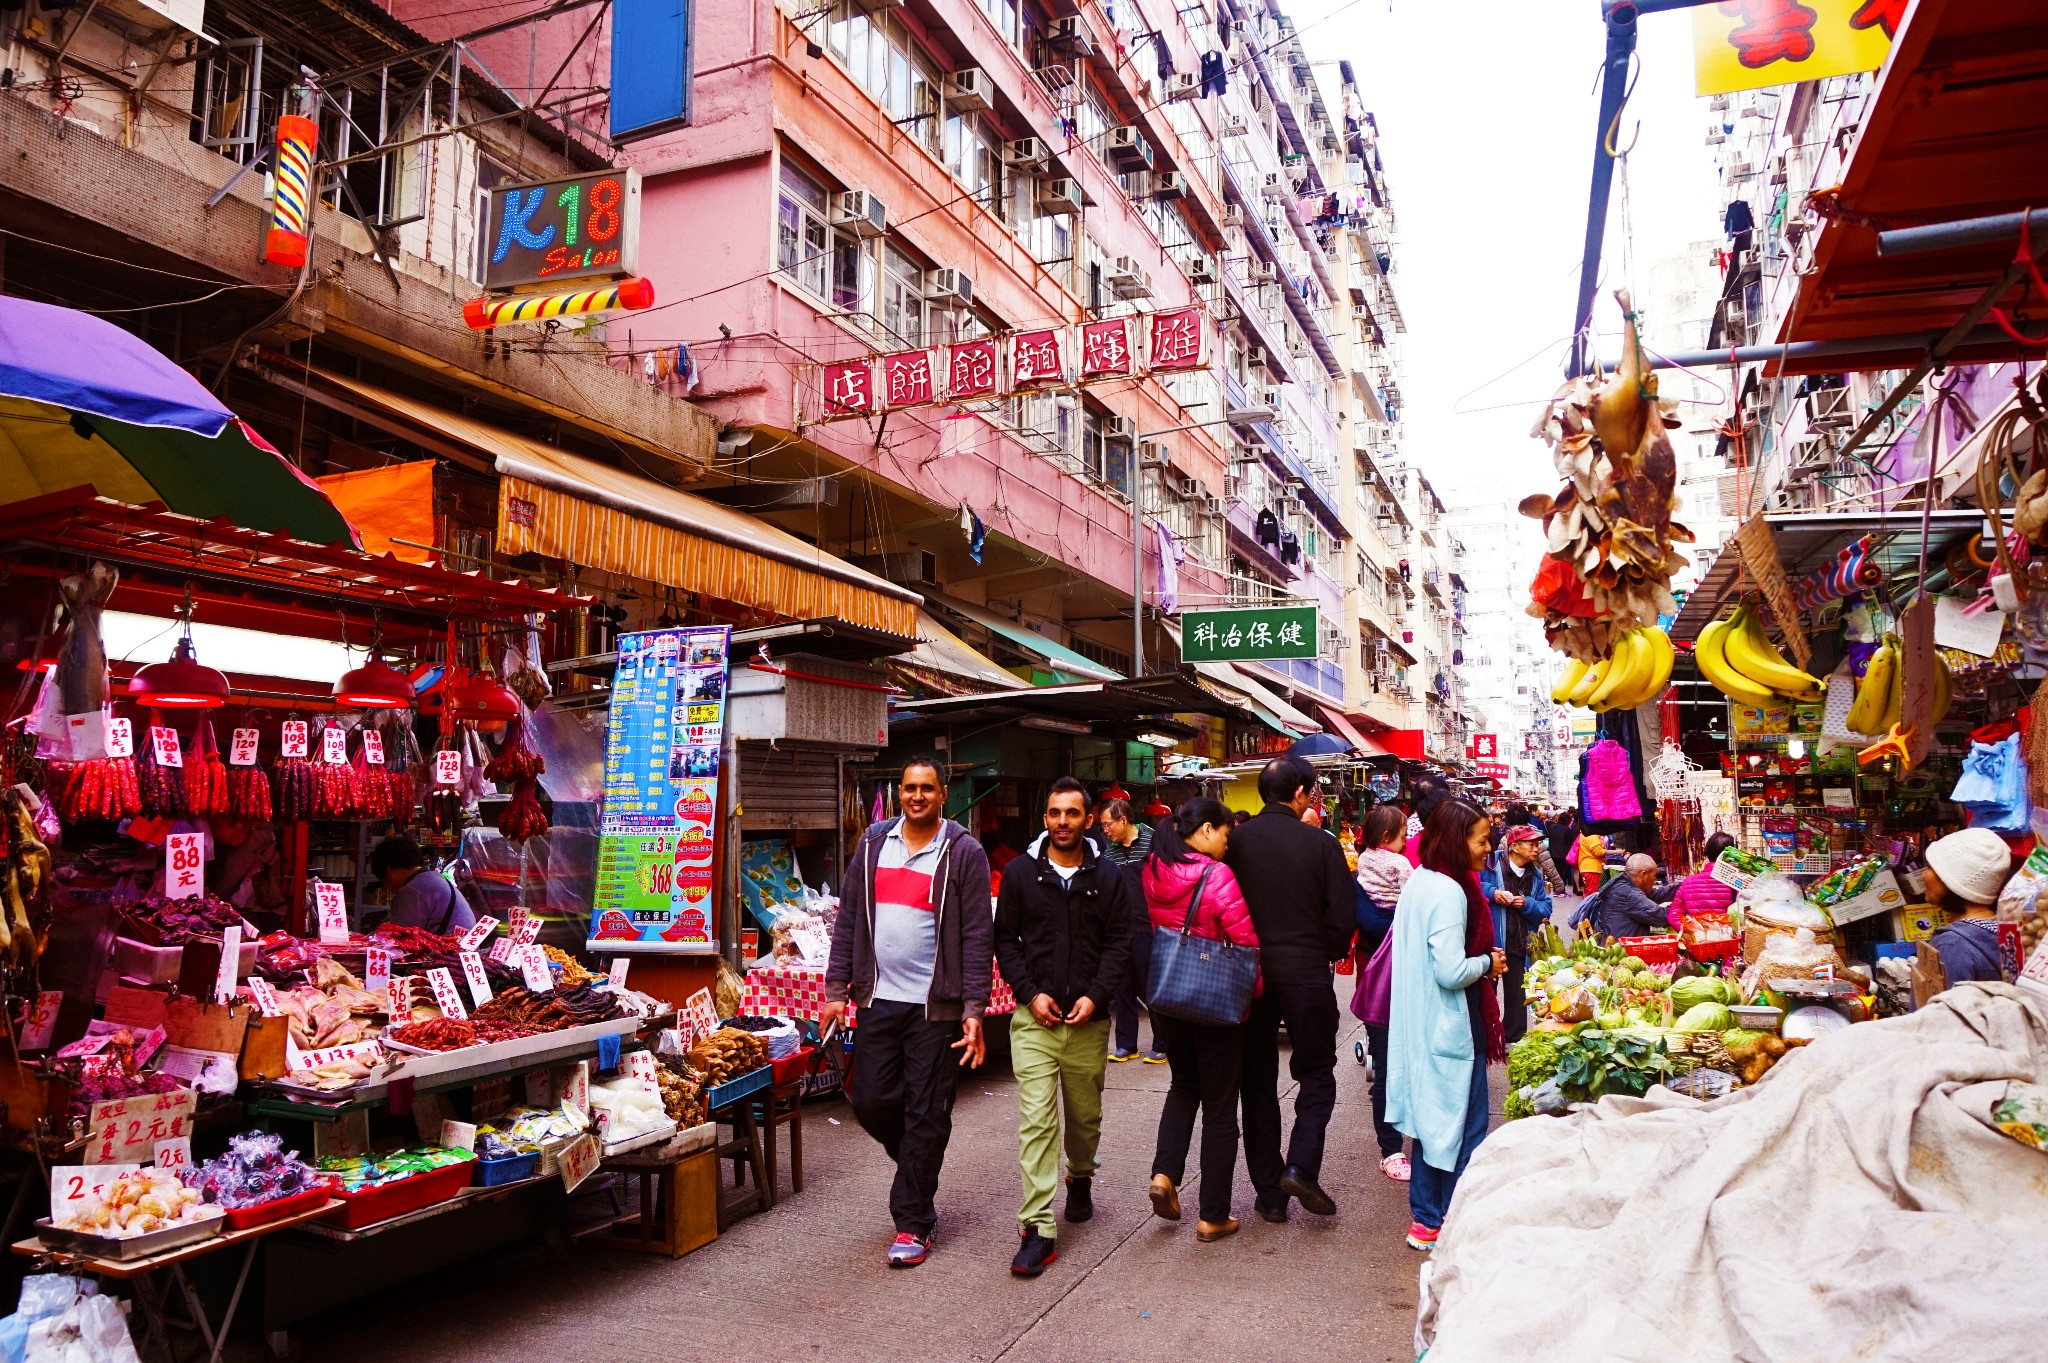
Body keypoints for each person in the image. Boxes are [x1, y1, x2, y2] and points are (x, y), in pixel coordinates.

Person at [824, 757, 992, 1270]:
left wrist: (973, 1008)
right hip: (878, 999)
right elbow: (850, 916)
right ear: (899, 792)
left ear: (943, 794)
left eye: (926, 788)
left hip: (933, 1009)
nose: (916, 796)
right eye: (908, 787)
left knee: (926, 1110)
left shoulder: (963, 852)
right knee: (870, 1100)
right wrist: (836, 986)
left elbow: (977, 936)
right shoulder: (873, 843)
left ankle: (913, 1222)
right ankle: (917, 1163)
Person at [993, 777, 1137, 1276]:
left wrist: (1096, 996)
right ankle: (1037, 1226)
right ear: (1045, 818)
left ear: (1087, 819)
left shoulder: (1108, 877)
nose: (1061, 822)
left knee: (1083, 1116)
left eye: (1071, 814)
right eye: (1054, 813)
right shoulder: (1020, 874)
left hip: (1087, 1021)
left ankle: (1080, 1176)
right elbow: (1005, 941)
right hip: (1033, 1021)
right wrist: (1030, 994)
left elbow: (1121, 942)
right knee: (1037, 1119)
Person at [1223, 756, 1355, 1222]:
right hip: (1306, 975)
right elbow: (1342, 919)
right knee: (1317, 1072)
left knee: (1256, 1081)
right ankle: (1300, 1165)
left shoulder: (1234, 842)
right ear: (1300, 794)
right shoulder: (1321, 845)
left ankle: (1270, 1193)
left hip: (1248, 976)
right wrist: (1324, 950)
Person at [1386, 799, 1507, 1252]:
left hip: (1424, 1025)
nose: (1487, 846)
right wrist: (1487, 962)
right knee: (1463, 1128)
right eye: (1480, 839)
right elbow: (1451, 971)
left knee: (1432, 1126)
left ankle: (1426, 1222)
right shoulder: (1450, 892)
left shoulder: (1420, 880)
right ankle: (1450, 1221)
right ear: (1458, 842)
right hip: (1450, 1027)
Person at [1141, 798, 1259, 1243]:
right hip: (1213, 1002)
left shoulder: (1154, 867)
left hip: (1170, 996)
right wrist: (1254, 995)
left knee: (1182, 1086)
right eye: (1226, 835)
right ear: (1206, 829)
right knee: (1221, 1107)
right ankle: (1212, 1214)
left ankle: (1165, 1174)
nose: (1228, 846)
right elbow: (1244, 942)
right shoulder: (1216, 875)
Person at [1351, 804, 1412, 1181]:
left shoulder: (1358, 874)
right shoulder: (1404, 870)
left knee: (1390, 1064)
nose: (1407, 843)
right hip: (1391, 982)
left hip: (1376, 982)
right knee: (1391, 1067)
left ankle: (1393, 1149)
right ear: (1388, 838)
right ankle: (1391, 1148)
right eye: (1403, 836)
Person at [1098, 799, 1163, 1064]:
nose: (1105, 830)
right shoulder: (1109, 853)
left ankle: (1162, 1043)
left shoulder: (1152, 841)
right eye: (1102, 826)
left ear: (1123, 820)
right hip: (1119, 930)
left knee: (1151, 988)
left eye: (1107, 824)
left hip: (1148, 927)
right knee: (1122, 988)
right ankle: (1126, 1044)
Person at [1479, 825, 1553, 1045]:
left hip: (1520, 944)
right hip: (1492, 944)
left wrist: (1527, 904)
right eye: (1531, 844)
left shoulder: (1535, 875)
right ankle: (1484, 1040)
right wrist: (1492, 893)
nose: (1536, 849)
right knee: (1485, 996)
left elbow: (1546, 909)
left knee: (1518, 997)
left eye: (1537, 844)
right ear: (1514, 847)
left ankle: (1513, 1040)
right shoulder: (1490, 864)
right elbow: (1473, 884)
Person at [1922, 827, 2015, 984]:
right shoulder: (2005, 932)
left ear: (1952, 882)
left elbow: (1940, 1007)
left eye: (1931, 868)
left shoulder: (1953, 946)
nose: (1924, 874)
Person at [368, 835, 477, 933]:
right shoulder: (432, 878)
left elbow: (398, 938)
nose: (388, 888)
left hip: (446, 953)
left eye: (383, 881)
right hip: (462, 951)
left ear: (388, 870)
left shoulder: (412, 890)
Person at [1575, 852, 1670, 940]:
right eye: (1654, 875)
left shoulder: (1625, 883)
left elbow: (1655, 894)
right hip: (1616, 950)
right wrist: (1679, 908)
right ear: (1643, 875)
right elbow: (1660, 917)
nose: (1655, 879)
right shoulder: (1627, 893)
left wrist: (1680, 888)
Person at [1666, 831, 1738, 929]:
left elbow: (1674, 915)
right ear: (1732, 855)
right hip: (1730, 939)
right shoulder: (1737, 882)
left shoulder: (1689, 882)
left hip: (1699, 941)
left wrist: (1694, 931)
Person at [1547, 809, 1581, 894]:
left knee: (1556, 873)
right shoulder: (1566, 829)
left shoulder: (1552, 827)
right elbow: (1571, 841)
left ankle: (1556, 889)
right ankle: (1561, 890)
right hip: (1564, 854)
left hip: (1553, 853)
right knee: (1563, 873)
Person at [1575, 827, 1609, 892]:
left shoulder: (1585, 832)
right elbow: (1598, 852)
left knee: (1589, 892)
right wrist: (1617, 852)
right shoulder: (1592, 835)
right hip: (1592, 868)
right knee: (1593, 893)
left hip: (1587, 866)